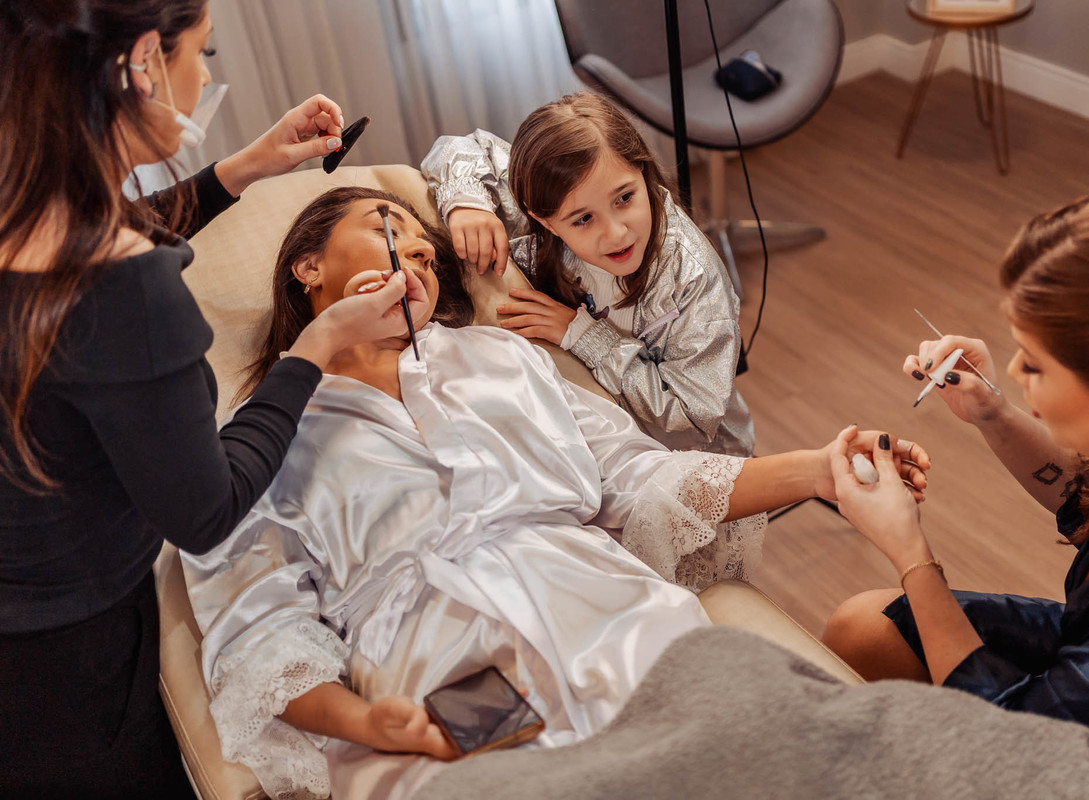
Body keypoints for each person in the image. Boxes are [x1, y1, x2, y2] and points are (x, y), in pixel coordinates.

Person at [183, 186, 932, 800]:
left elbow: (636, 478)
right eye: (388, 230)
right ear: (308, 267)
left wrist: (819, 469)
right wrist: (372, 723)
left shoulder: (497, 358)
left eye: (423, 249)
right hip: (433, 675)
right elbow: (258, 633)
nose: (413, 253)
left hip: (606, 613)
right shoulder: (254, 440)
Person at [0, 3, 420, 797]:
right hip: (65, 662)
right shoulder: (125, 286)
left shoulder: (29, 196)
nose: (207, 79)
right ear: (143, 64)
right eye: (204, 52)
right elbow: (204, 510)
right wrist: (315, 347)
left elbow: (124, 229)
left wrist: (249, 164)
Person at [820, 186, 1089, 799]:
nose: (1016, 372)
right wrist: (991, 412)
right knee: (864, 627)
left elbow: (1019, 763)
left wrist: (910, 550)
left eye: (1037, 363)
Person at [421, 92, 754, 457]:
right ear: (542, 219)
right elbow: (459, 147)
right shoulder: (539, 207)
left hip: (687, 459)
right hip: (593, 429)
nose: (616, 233)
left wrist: (585, 336)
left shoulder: (691, 276)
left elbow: (690, 419)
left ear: (642, 172)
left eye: (624, 198)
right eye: (583, 219)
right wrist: (466, 203)